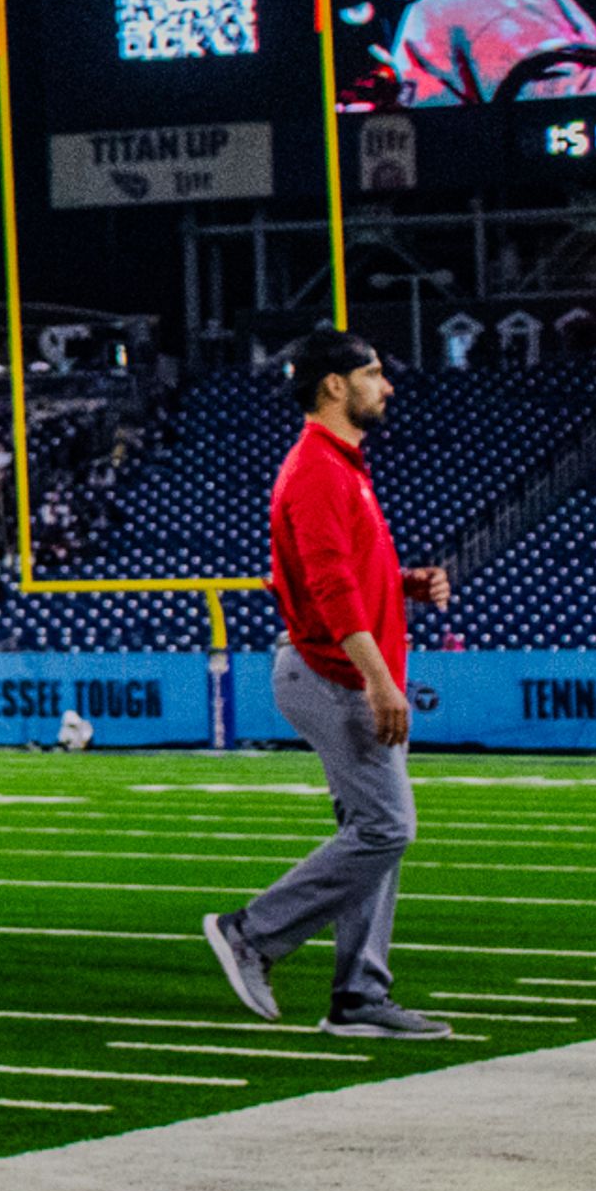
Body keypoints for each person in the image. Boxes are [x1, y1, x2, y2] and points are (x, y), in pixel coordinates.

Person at [205, 328, 457, 1040]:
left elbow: (348, 571)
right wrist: (380, 680)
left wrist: (407, 583)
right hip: (335, 674)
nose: (388, 385)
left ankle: (358, 996)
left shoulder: (342, 464)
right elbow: (328, 584)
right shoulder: (317, 466)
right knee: (387, 826)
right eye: (374, 372)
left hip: (344, 669)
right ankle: (252, 930)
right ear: (334, 385)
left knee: (372, 831)